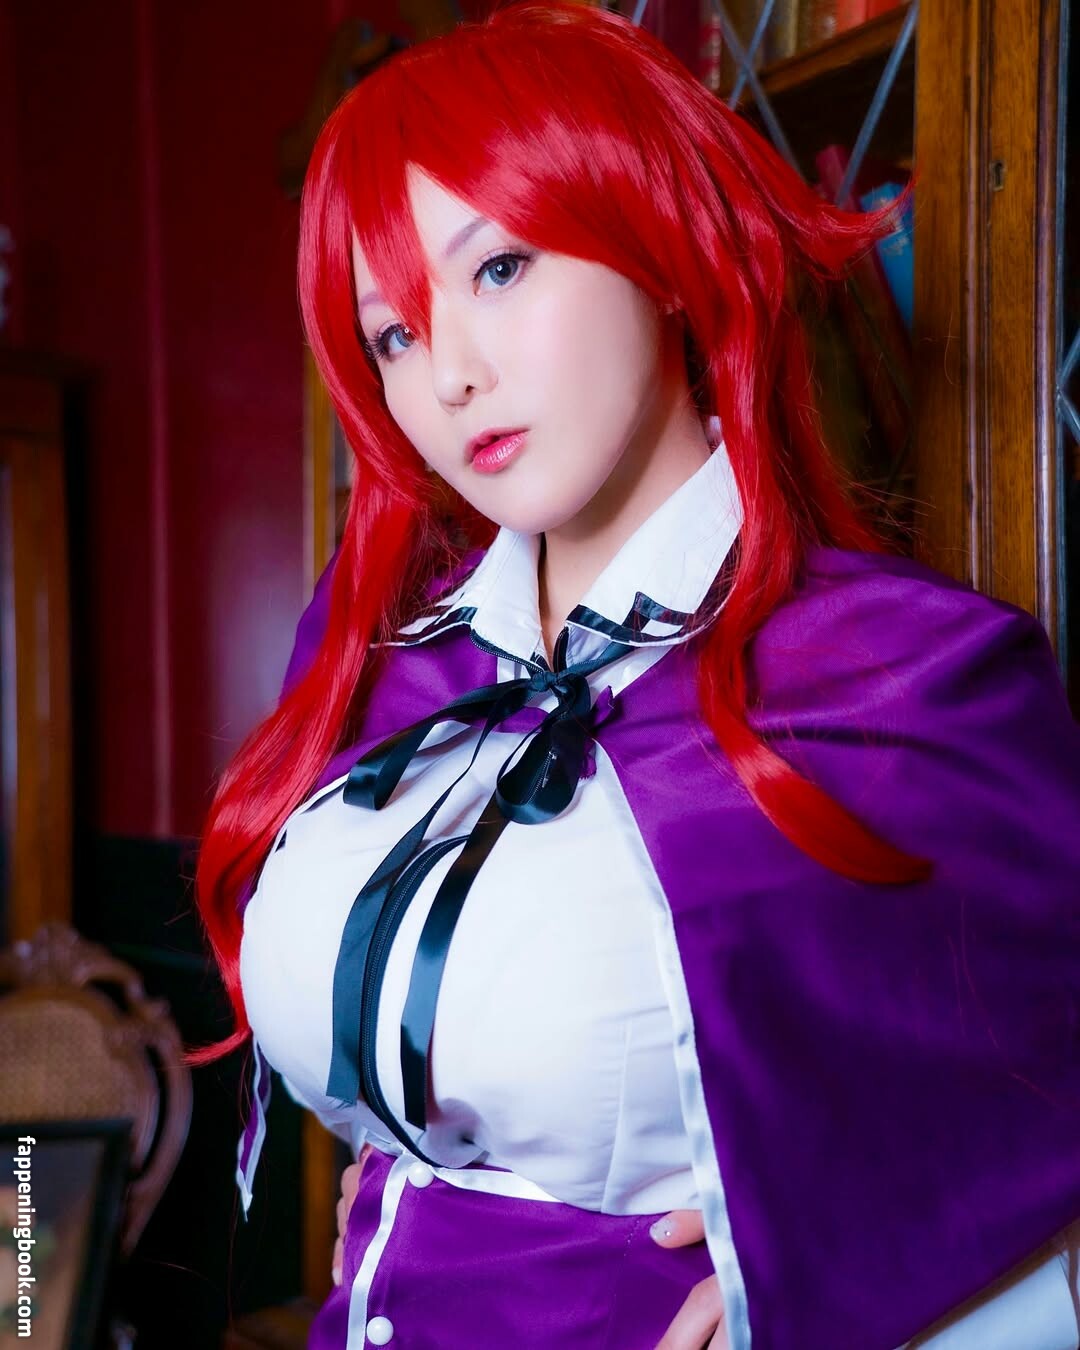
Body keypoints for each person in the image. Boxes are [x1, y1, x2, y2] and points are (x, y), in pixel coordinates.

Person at [189, 3, 1080, 1347]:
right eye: (394, 334)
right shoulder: (385, 655)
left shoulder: (898, 678)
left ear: (657, 247)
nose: (452, 376)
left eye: (499, 270)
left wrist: (861, 1272)